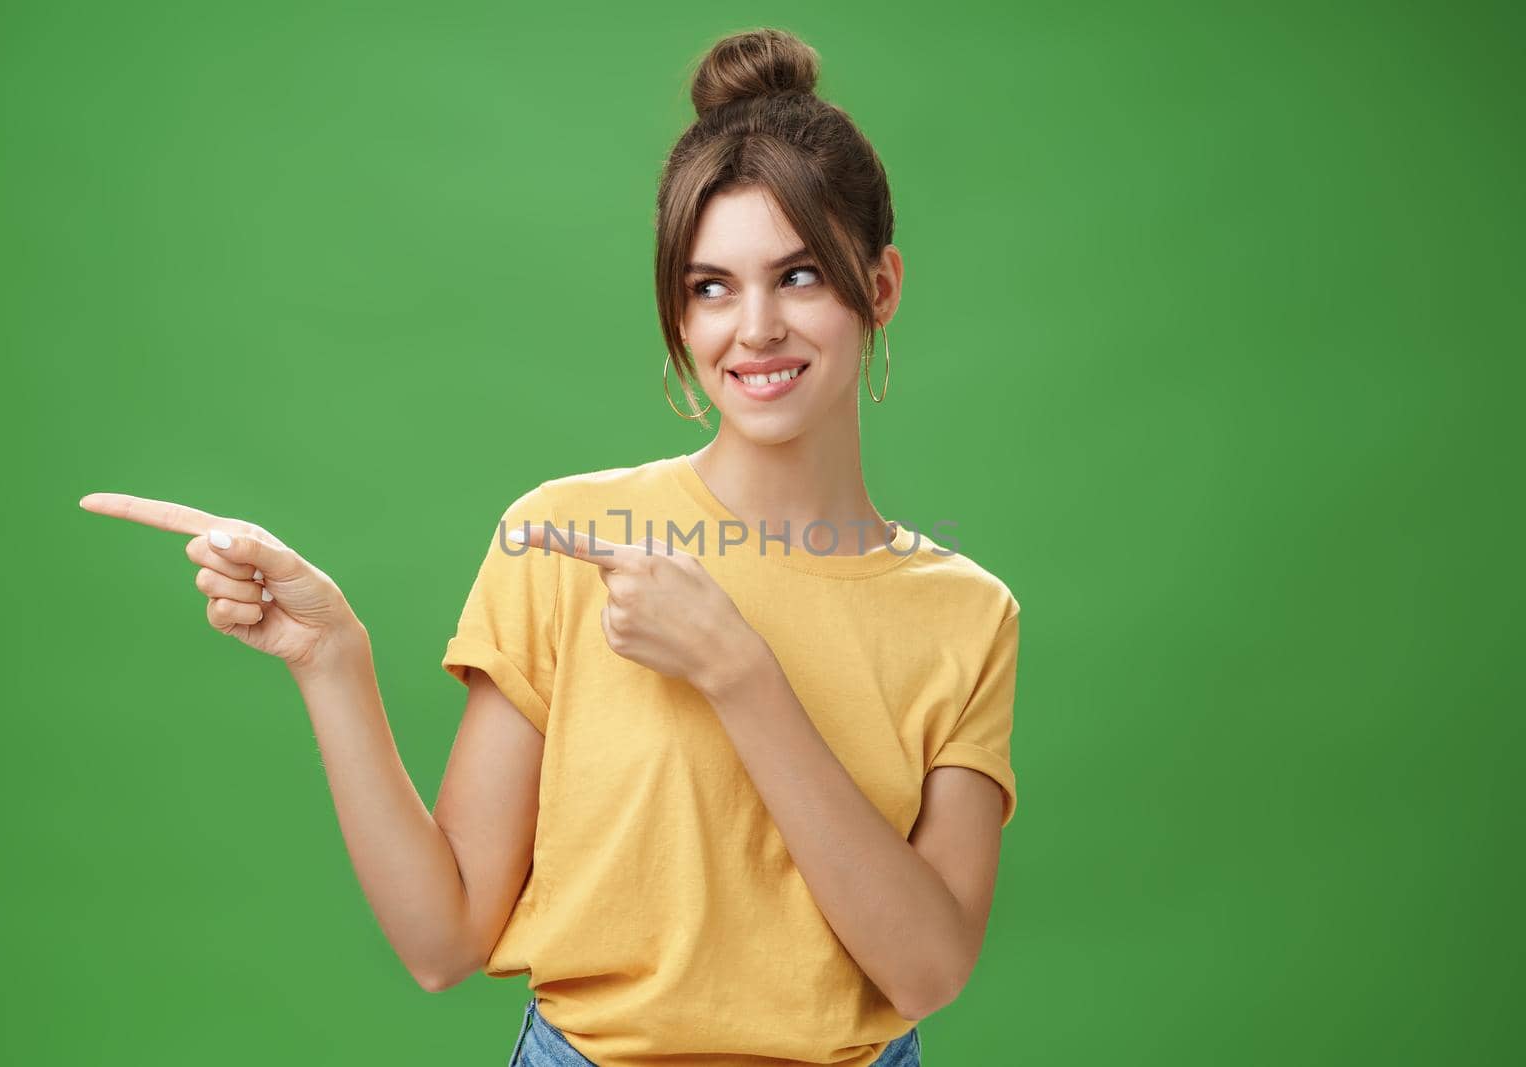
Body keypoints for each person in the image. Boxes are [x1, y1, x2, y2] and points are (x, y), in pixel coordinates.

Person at [79, 26, 1019, 1067]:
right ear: (677, 308)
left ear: (878, 287)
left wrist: (737, 670)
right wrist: (330, 659)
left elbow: (926, 970)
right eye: (710, 286)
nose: (752, 328)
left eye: (797, 276)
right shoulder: (570, 541)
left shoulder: (965, 611)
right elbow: (445, 941)